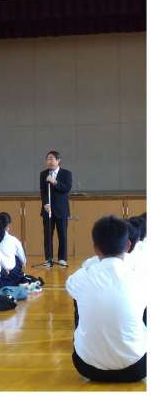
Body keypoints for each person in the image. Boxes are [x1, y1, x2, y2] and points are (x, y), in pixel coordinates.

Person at [66, 216, 146, 382]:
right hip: (138, 368)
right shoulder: (140, 278)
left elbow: (70, 285)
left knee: (79, 298)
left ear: (95, 248)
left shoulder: (81, 277)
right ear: (128, 245)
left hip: (87, 368)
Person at [40, 150, 72, 267]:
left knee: (62, 235)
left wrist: (55, 182)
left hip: (61, 210)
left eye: (52, 159)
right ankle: (48, 258)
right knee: (48, 235)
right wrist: (45, 204)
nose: (49, 161)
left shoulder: (66, 173)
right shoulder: (43, 174)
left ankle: (62, 258)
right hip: (48, 210)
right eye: (48, 159)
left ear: (58, 161)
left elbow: (66, 188)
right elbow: (43, 191)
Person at [0, 212, 25, 287]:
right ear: (8, 224)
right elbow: (23, 260)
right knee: (17, 258)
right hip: (11, 273)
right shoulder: (13, 240)